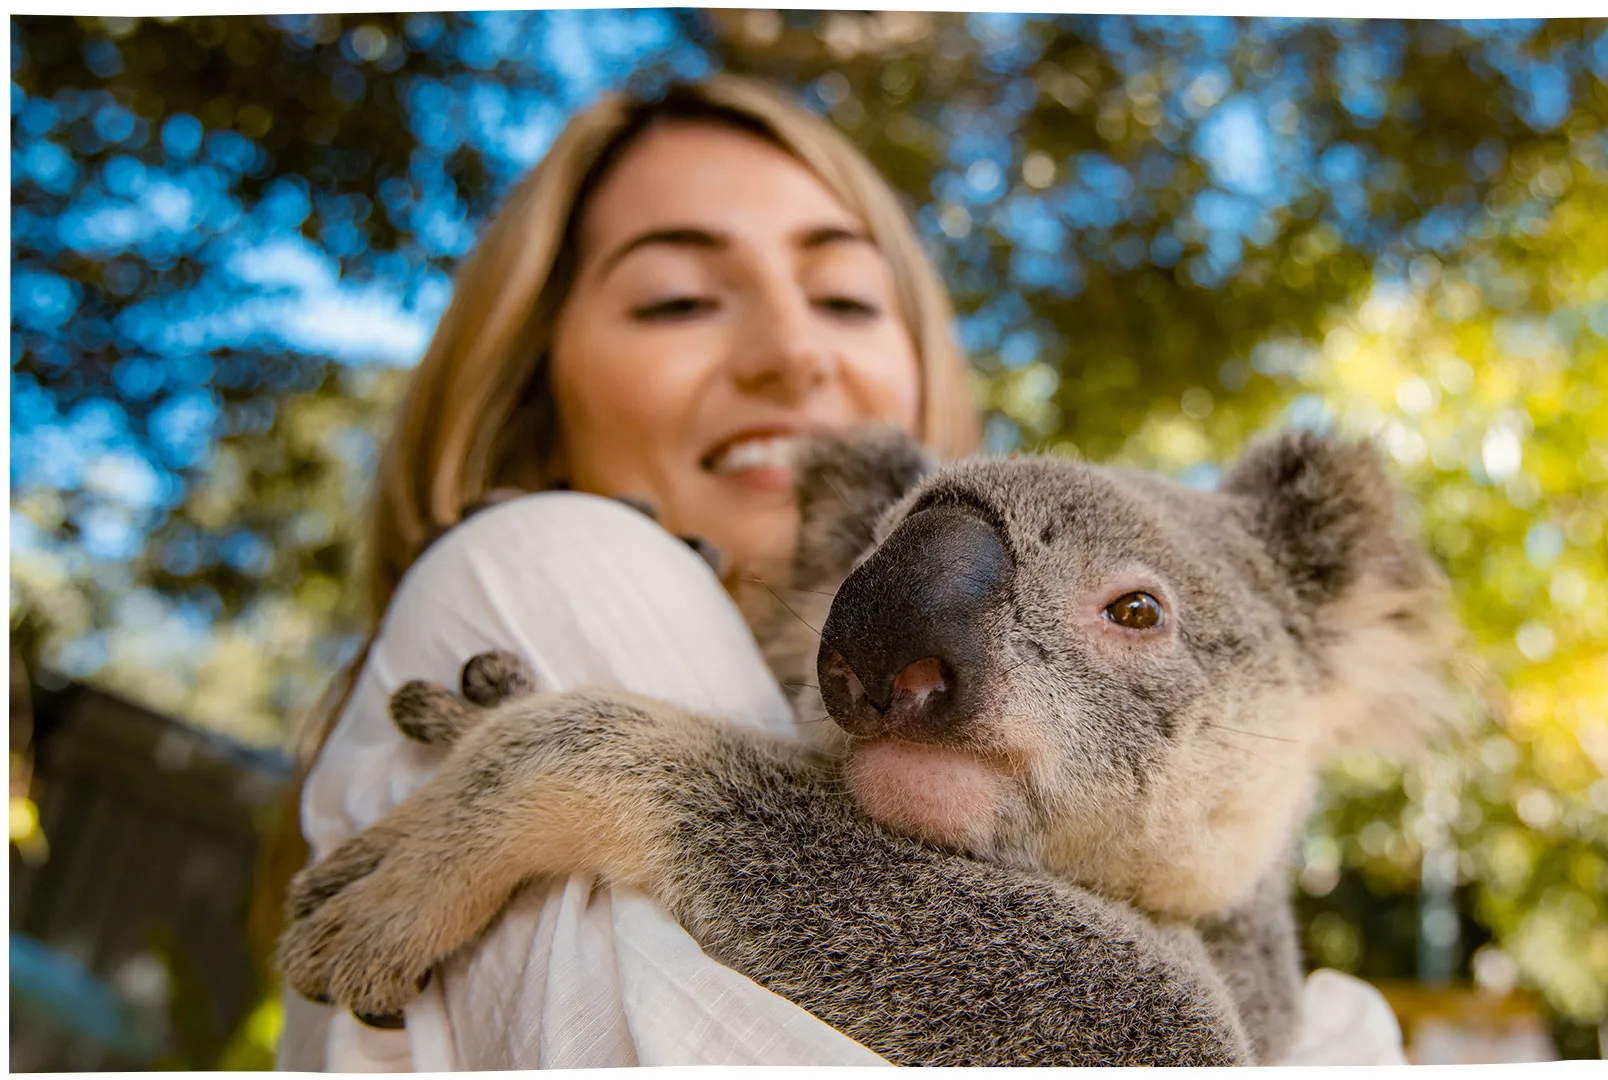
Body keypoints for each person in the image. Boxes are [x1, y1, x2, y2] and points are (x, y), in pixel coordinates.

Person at [262, 74, 1407, 1070]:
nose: (793, 354)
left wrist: (634, 783)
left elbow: (1158, 1042)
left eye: (848, 299)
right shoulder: (545, 562)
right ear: (529, 394)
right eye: (677, 299)